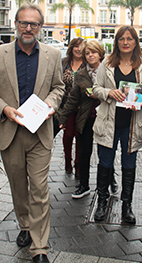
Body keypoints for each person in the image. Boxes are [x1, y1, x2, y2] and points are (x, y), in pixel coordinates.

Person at [0, 3, 64, 263]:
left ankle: (40, 248)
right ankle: (25, 224)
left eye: (34, 24)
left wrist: (51, 104)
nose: (28, 28)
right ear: (15, 24)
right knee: (19, 186)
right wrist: (3, 109)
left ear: (41, 27)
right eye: (23, 23)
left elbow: (58, 88)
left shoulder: (52, 54)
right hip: (11, 132)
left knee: (39, 188)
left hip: (40, 133)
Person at [92, 26, 142, 224]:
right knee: (105, 163)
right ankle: (102, 202)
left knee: (129, 165)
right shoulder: (107, 65)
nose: (126, 42)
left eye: (130, 39)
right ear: (116, 42)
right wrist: (109, 93)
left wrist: (141, 100)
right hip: (109, 122)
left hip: (132, 124)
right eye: (122, 39)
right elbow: (96, 88)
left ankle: (127, 206)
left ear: (136, 42)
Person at [57, 40, 118, 199]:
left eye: (93, 52)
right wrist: (63, 118)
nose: (91, 55)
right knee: (84, 152)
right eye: (87, 53)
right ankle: (83, 185)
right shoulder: (81, 74)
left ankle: (109, 178)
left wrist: (100, 93)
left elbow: (117, 92)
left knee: (105, 151)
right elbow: (73, 98)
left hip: (105, 117)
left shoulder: (110, 70)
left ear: (100, 54)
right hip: (86, 118)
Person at [59, 37, 84, 177]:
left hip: (82, 107)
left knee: (79, 135)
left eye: (81, 46)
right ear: (71, 48)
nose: (78, 49)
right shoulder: (64, 63)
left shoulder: (87, 64)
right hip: (67, 106)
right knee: (68, 135)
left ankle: (78, 163)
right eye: (76, 46)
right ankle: (67, 161)